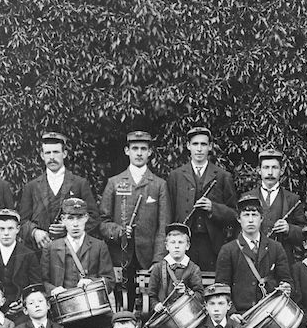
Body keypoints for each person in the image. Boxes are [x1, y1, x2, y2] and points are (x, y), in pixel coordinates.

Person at [215, 194, 301, 328]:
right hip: (242, 316)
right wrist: (231, 313)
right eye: (246, 215)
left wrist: (287, 288)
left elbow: (287, 280)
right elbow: (221, 288)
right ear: (239, 219)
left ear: (262, 218)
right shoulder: (228, 250)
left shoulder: (276, 247)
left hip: (270, 316)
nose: (251, 219)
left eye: (255, 214)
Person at [99, 130, 169, 308]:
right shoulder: (114, 182)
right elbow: (102, 222)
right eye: (135, 148)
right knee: (124, 307)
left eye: (143, 149)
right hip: (121, 255)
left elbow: (164, 226)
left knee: (152, 305)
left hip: (149, 256)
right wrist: (118, 231)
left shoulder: (159, 184)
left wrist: (158, 258)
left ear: (150, 152)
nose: (139, 153)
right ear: (126, 151)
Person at [43, 198, 116, 328]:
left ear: (86, 218)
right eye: (70, 218)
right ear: (63, 220)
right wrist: (53, 289)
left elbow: (110, 280)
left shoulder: (99, 246)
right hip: (62, 314)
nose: (75, 223)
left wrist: (92, 283)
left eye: (79, 217)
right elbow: (42, 281)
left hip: (93, 313)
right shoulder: (51, 247)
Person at [166, 126, 237, 271]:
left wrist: (213, 208)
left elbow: (234, 215)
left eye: (203, 144)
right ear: (188, 146)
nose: (199, 149)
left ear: (210, 147)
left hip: (213, 246)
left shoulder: (223, 176)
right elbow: (168, 213)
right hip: (183, 245)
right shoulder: (176, 176)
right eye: (195, 144)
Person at [19, 131, 100, 252]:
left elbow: (94, 218)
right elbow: (22, 221)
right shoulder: (31, 186)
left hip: (72, 252)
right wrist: (34, 232)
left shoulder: (79, 184)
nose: (52, 157)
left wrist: (70, 227)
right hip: (40, 253)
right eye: (48, 153)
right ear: (42, 155)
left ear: (64, 154)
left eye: (56, 152)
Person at [249, 148, 307, 266]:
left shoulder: (293, 200)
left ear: (281, 171)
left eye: (274, 168)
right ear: (259, 170)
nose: (270, 172)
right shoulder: (247, 198)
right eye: (266, 168)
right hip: (253, 260)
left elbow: (305, 232)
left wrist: (289, 229)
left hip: (283, 261)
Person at [147, 223, 205, 312]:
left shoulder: (193, 269)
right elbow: (152, 294)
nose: (176, 246)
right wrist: (156, 305)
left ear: (187, 246)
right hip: (163, 316)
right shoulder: (158, 268)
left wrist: (186, 292)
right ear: (166, 246)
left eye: (181, 242)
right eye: (172, 242)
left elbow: (200, 295)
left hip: (187, 315)